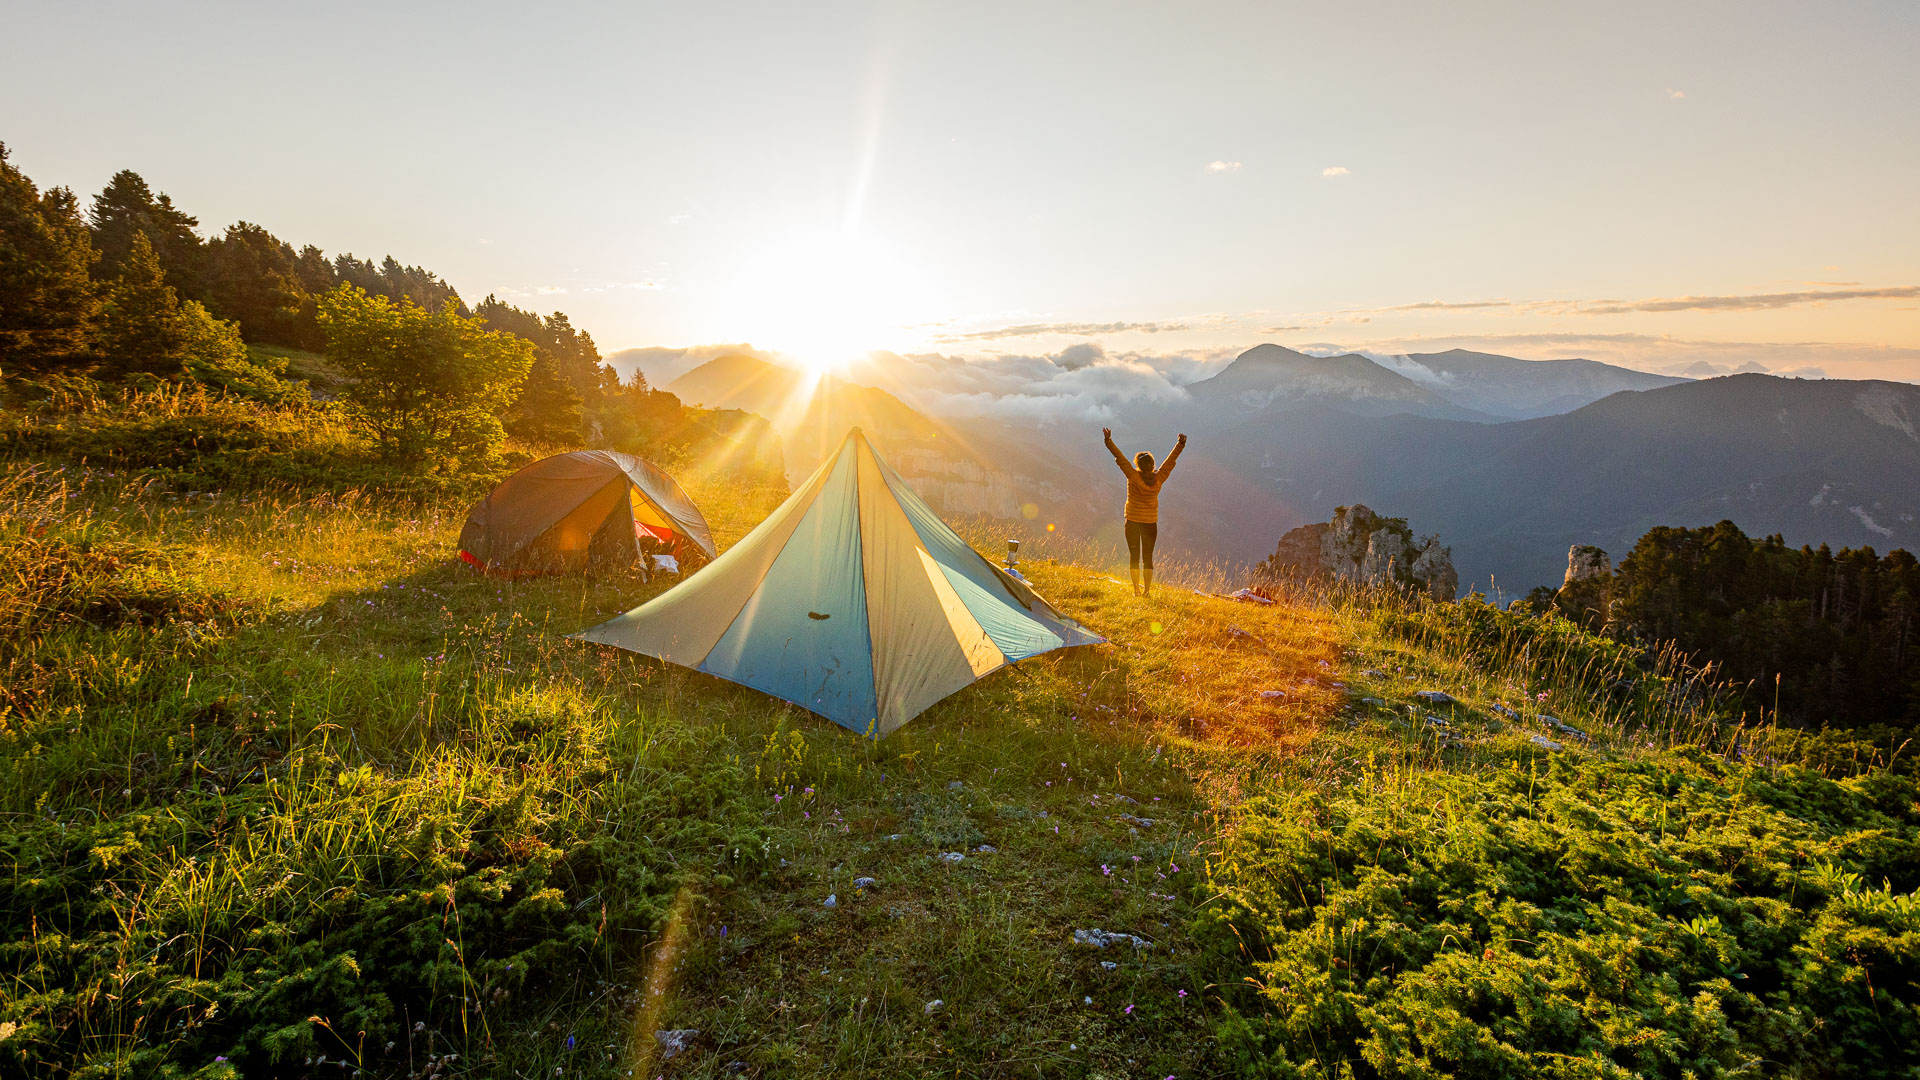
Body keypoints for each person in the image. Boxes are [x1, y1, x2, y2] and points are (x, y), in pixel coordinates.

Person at [1103, 427, 1186, 597]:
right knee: (1147, 557)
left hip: (1132, 521)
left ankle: (1136, 590)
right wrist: (1180, 444)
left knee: (1134, 556)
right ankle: (1147, 591)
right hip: (1150, 523)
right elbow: (1170, 462)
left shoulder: (1132, 476)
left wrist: (1108, 441)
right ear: (1153, 465)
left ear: (1138, 464)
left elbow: (1120, 458)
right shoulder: (1160, 477)